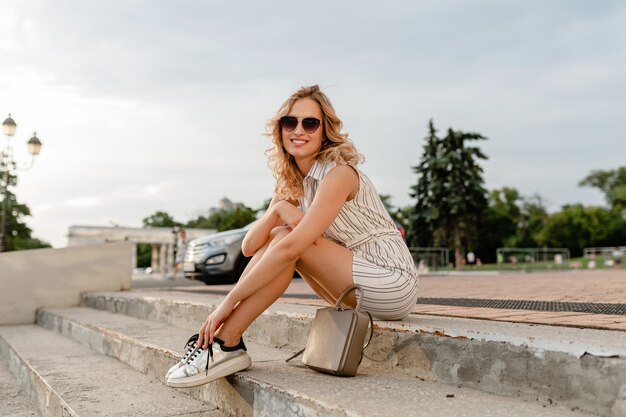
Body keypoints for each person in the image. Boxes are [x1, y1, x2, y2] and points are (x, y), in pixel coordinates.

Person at [165, 85, 419, 388]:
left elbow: (293, 245)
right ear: (280, 130)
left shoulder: (339, 174)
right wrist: (277, 209)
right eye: (290, 122)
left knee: (288, 238)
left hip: (390, 280)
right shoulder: (291, 183)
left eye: (310, 123)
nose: (298, 130)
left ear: (325, 131)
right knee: (281, 233)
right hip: (347, 285)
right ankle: (226, 343)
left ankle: (225, 341)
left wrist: (225, 304)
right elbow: (249, 247)